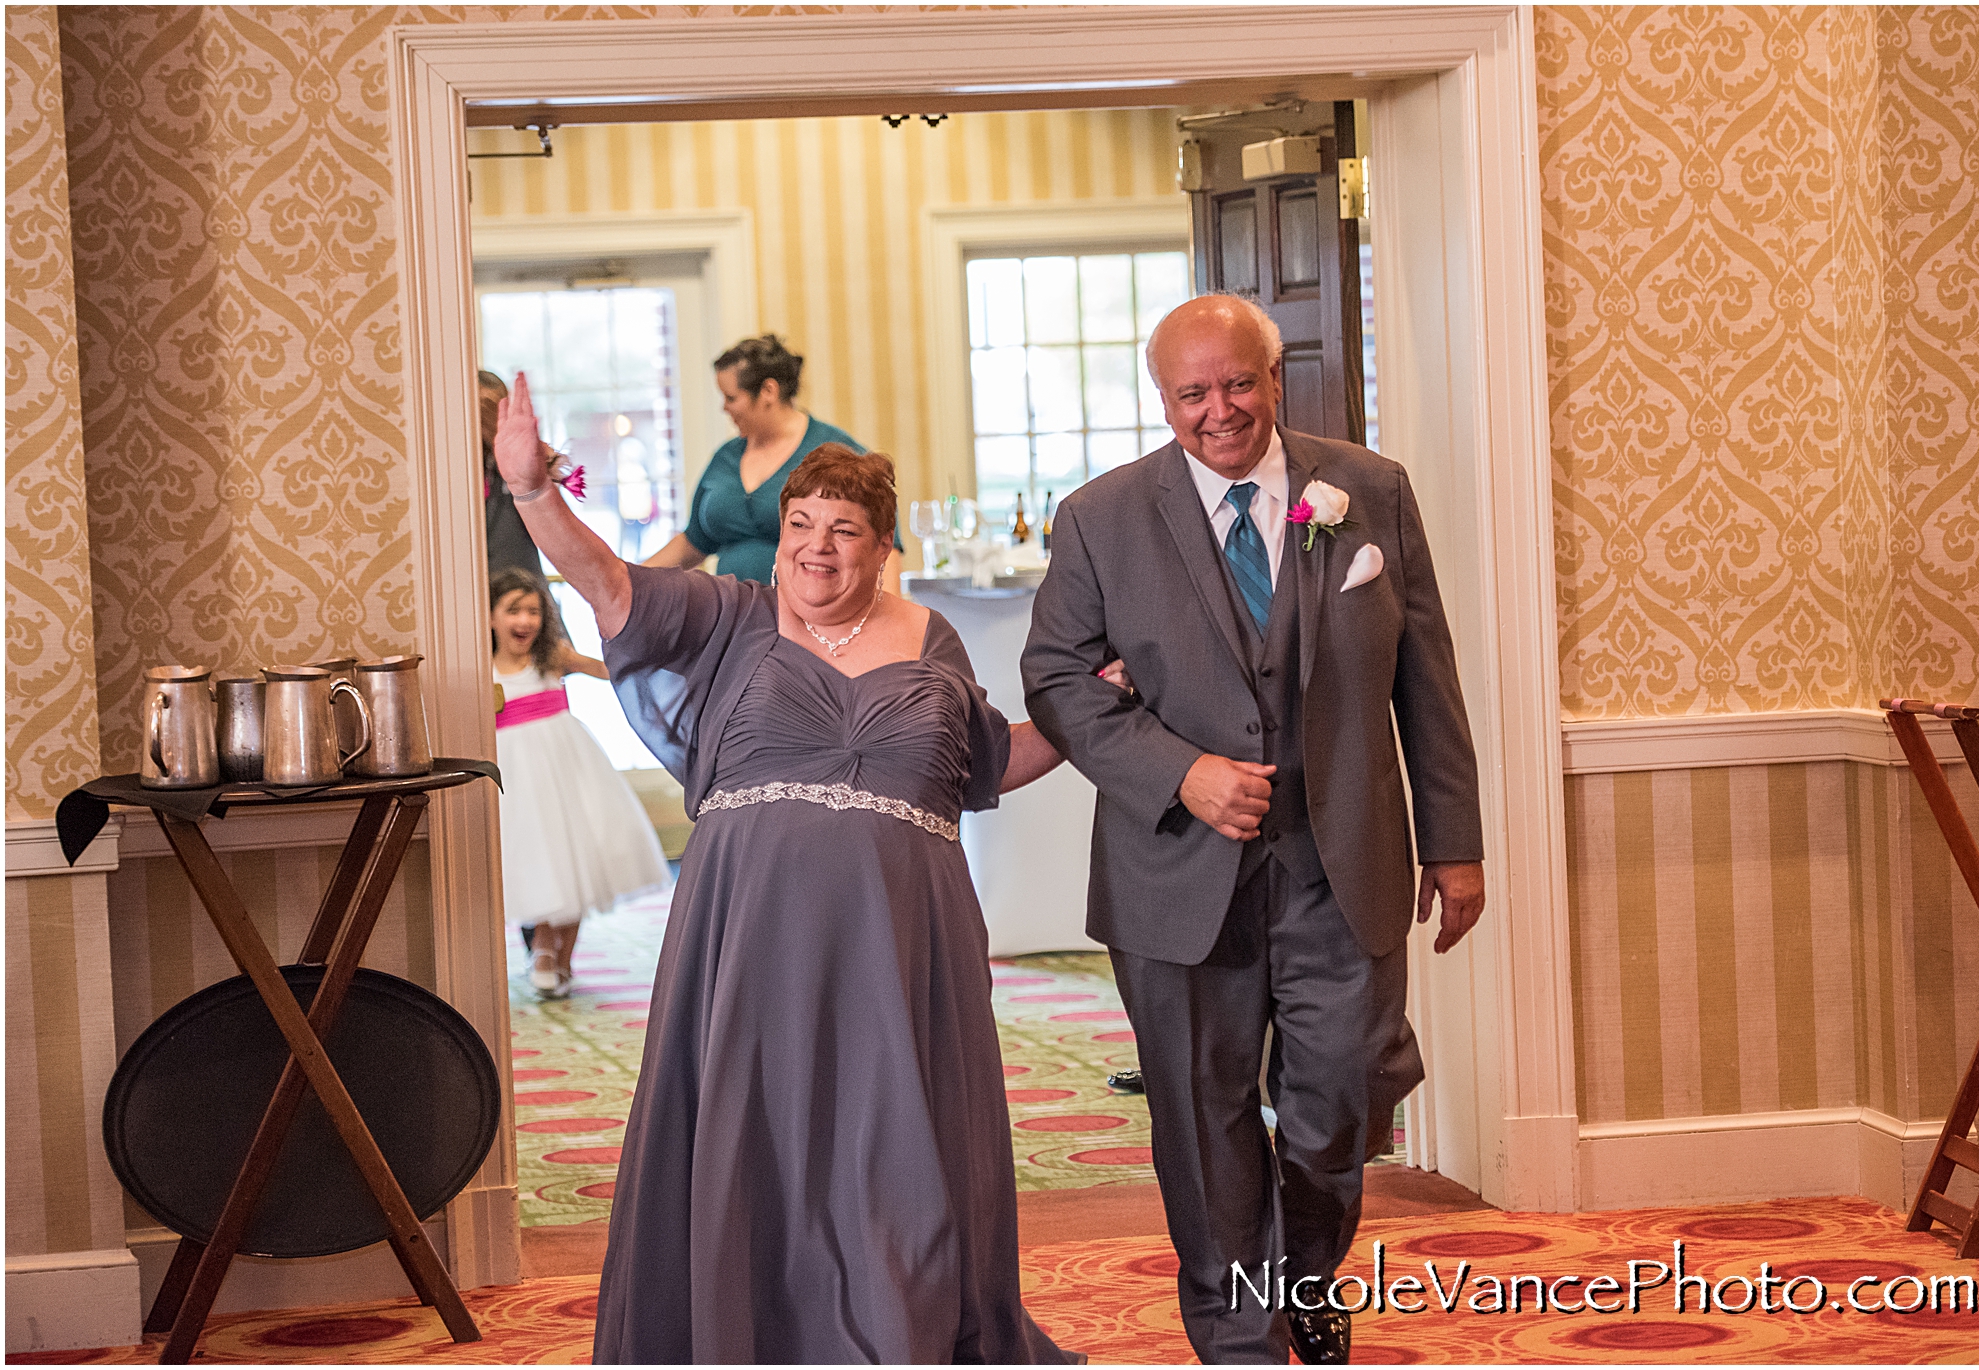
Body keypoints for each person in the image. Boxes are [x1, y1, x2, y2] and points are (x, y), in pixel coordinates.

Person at [494, 371, 1079, 1364]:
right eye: (800, 523)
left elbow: (986, 760)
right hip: (750, 930)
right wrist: (530, 489)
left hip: (901, 938)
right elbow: (606, 582)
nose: (815, 545)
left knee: (898, 1147)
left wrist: (1093, 714)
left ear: (881, 545)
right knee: (754, 1136)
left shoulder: (930, 640)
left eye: (842, 528)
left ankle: (901, 1331)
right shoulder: (728, 615)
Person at [1021, 294, 1486, 1364]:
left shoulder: (1365, 491)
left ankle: (1302, 1275)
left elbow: (1427, 674)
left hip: (1342, 859)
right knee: (1200, 1115)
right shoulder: (1099, 516)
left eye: (1236, 383)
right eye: (1192, 393)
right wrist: (1178, 772)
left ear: (1273, 379)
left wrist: (1452, 841)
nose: (1217, 410)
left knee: (1340, 1092)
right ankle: (1237, 1334)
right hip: (1174, 878)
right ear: (1163, 399)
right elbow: (1053, 678)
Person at [489, 566, 668, 998]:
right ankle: (544, 947)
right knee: (541, 857)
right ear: (490, 616)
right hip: (517, 775)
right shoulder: (483, 670)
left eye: (534, 611)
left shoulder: (553, 657)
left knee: (577, 858)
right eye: (513, 610)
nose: (525, 621)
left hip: (568, 765)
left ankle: (561, 955)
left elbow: (611, 670)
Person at [642, 334, 901, 580]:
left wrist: (885, 620)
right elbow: (694, 542)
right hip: (732, 619)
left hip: (809, 621)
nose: (724, 408)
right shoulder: (725, 457)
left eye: (731, 397)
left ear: (768, 391)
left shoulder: (839, 456)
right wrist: (629, 576)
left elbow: (883, 549)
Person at [479, 371, 546, 581]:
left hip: (522, 583)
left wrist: (500, 439)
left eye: (490, 408)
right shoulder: (449, 464)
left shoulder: (521, 458)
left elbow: (548, 512)